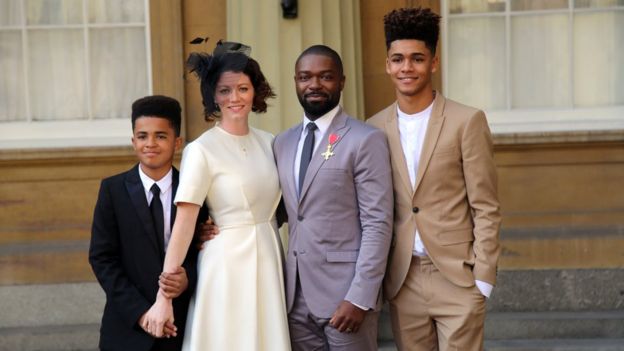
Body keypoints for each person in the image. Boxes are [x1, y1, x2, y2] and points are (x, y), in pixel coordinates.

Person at [367, 7, 502, 351]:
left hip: (457, 277)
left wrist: (482, 278)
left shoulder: (466, 121)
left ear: (433, 63)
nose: (406, 68)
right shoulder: (373, 129)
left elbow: (485, 205)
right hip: (403, 279)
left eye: (417, 58)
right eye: (398, 59)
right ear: (387, 64)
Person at [142, 42, 291, 351]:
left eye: (242, 88)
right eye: (224, 91)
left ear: (255, 92)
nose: (234, 98)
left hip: (268, 254)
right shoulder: (201, 150)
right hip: (225, 265)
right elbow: (183, 225)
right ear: (213, 96)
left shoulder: (271, 143)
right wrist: (164, 296)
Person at [273, 45, 394, 351]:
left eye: (325, 76)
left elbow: (378, 224)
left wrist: (360, 296)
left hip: (345, 297)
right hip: (295, 299)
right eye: (305, 77)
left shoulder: (365, 139)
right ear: (295, 82)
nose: (314, 84)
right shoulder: (282, 143)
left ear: (341, 81)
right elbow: (282, 211)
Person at [89, 95, 208, 351]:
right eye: (142, 136)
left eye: (160, 136)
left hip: (180, 327)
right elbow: (102, 259)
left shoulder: (196, 192)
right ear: (133, 141)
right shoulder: (112, 190)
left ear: (177, 142)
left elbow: (205, 248)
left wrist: (188, 276)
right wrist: (141, 313)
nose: (150, 143)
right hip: (126, 328)